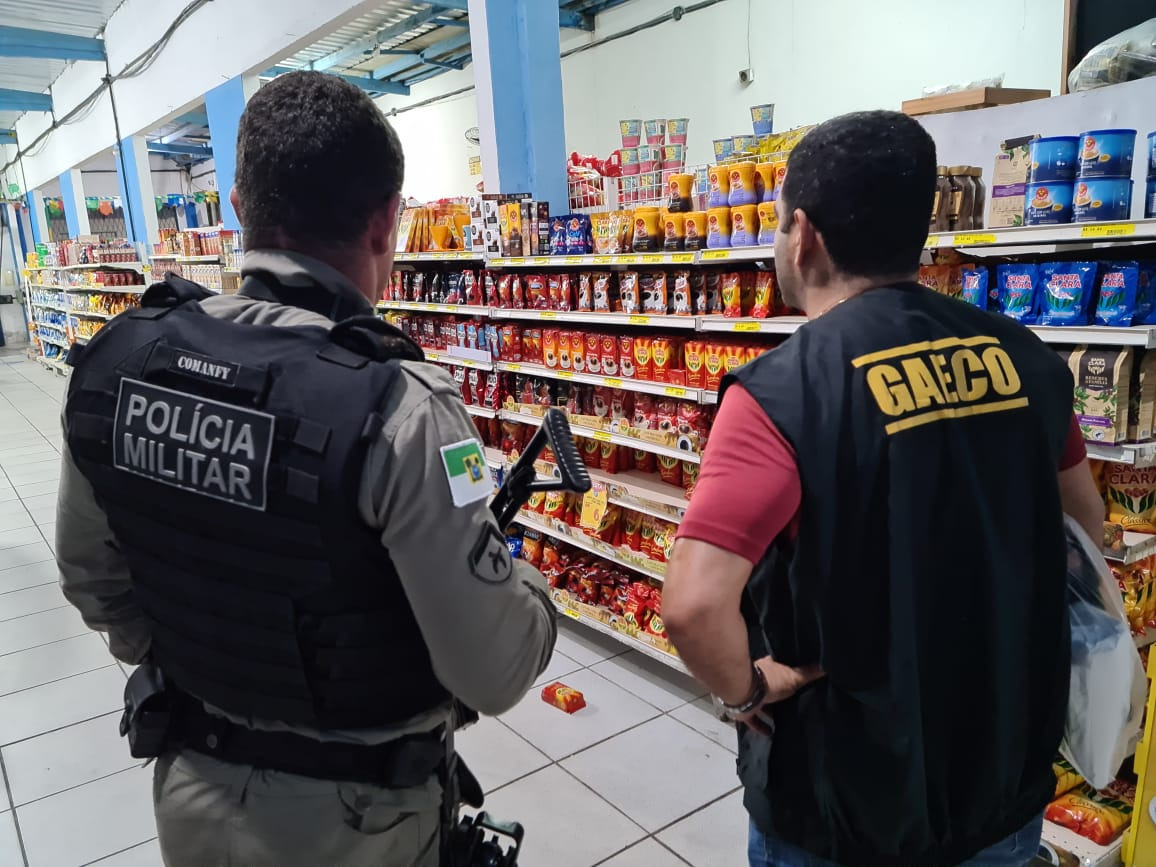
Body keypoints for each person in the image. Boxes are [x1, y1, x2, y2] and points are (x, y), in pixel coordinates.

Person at [56, 70, 556, 866]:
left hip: (191, 787)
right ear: (386, 221)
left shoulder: (120, 365)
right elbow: (491, 670)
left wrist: (206, 653)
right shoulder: (399, 407)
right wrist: (527, 591)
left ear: (235, 209)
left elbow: (91, 578)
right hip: (361, 822)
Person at [663, 110, 1104, 867]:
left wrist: (743, 692)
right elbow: (1085, 530)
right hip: (999, 775)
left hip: (843, 801)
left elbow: (693, 604)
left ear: (804, 236)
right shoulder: (1027, 360)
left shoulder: (785, 391)